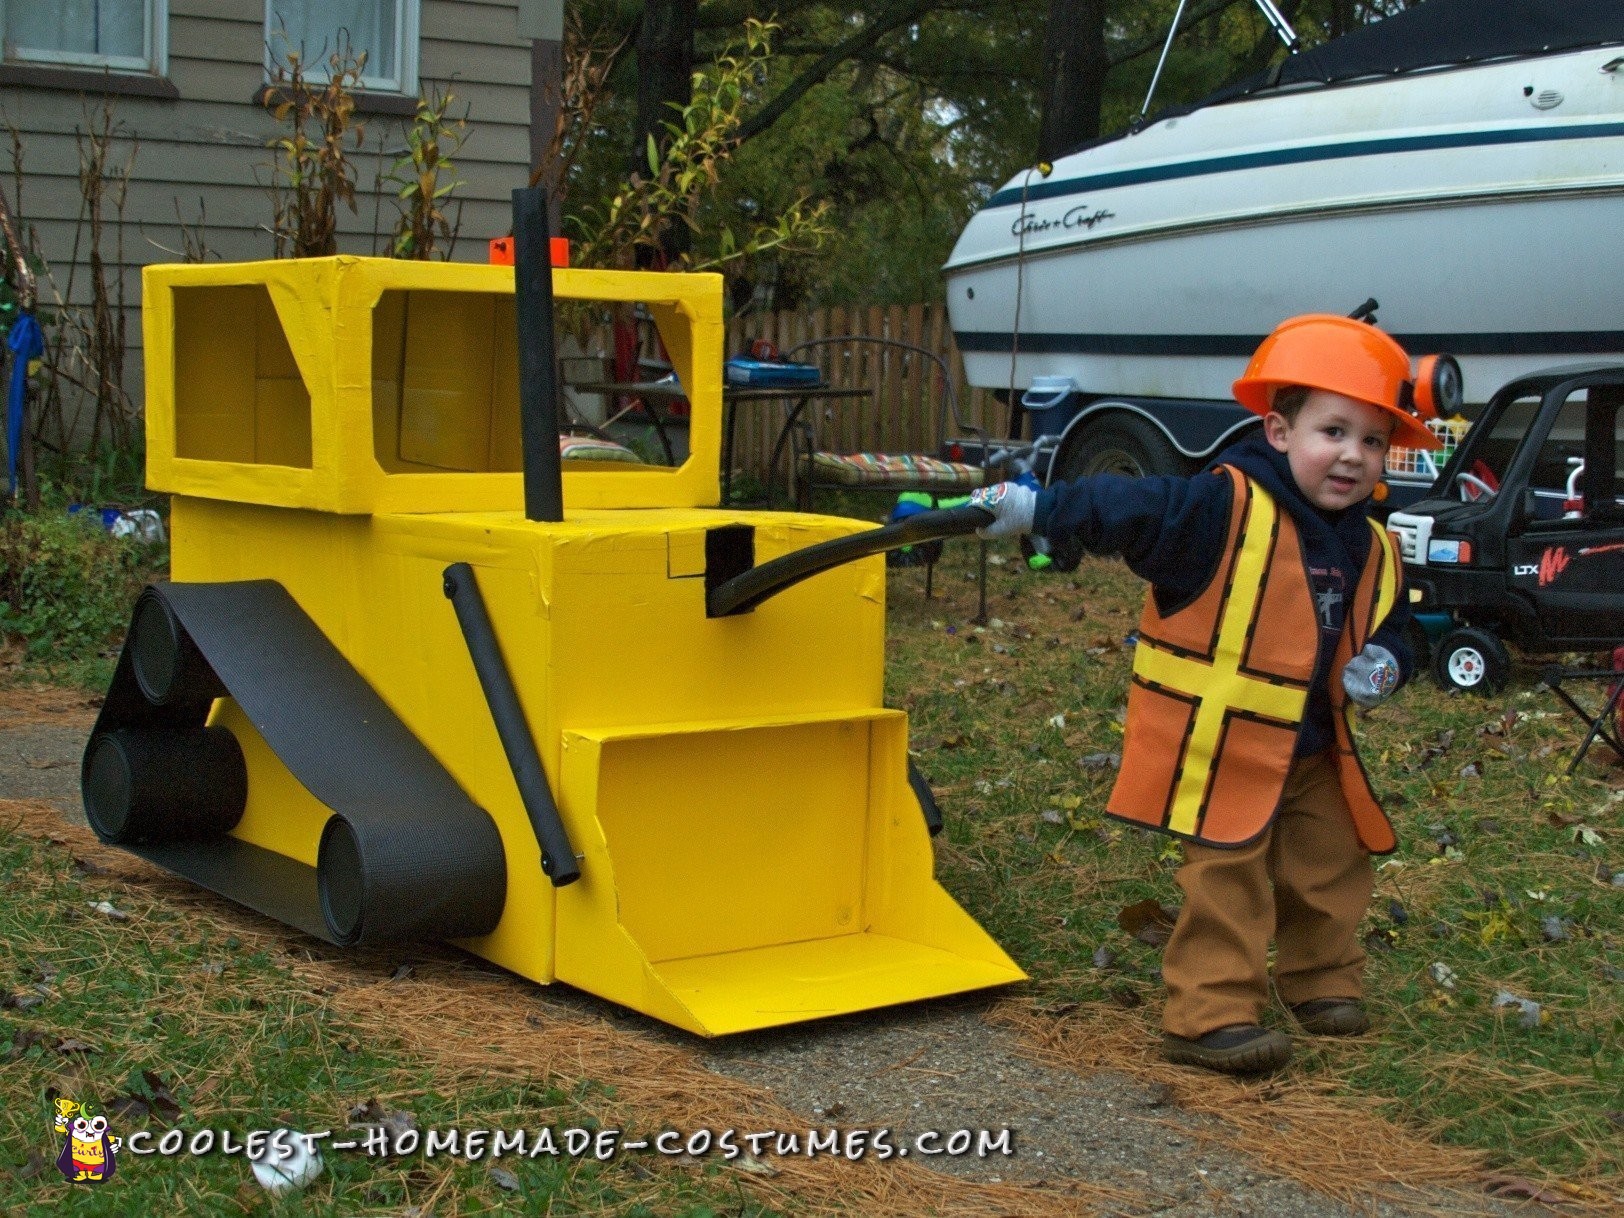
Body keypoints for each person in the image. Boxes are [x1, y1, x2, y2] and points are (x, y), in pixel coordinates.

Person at [970, 314, 1442, 1075]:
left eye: (1373, 440)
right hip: (1225, 744)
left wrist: (1388, 660)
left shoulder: (1371, 541)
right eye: (1334, 431)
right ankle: (1209, 1015)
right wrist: (1039, 509)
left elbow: (1399, 626)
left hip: (1318, 747)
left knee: (1331, 864)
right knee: (1228, 876)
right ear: (1279, 432)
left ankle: (1322, 982)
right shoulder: (1217, 510)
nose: (1353, 456)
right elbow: (1128, 506)